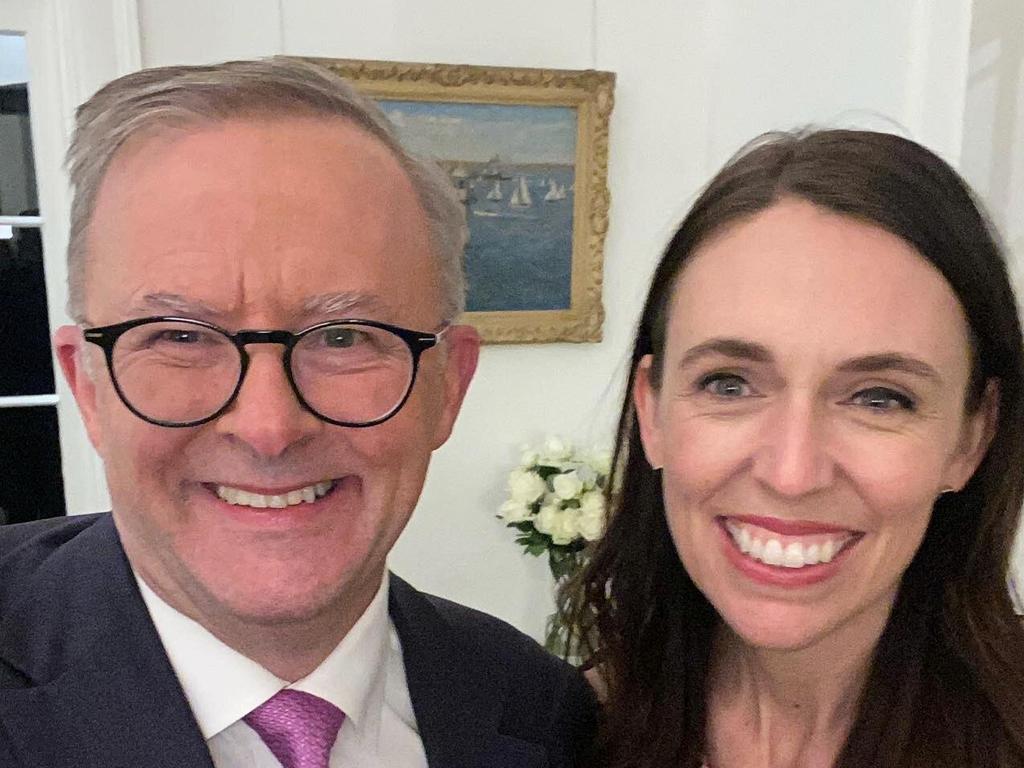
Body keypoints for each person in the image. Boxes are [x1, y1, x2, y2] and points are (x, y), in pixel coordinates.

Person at [0, 58, 596, 768]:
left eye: (345, 337)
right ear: (88, 389)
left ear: (449, 385)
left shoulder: (548, 714)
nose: (268, 426)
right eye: (181, 337)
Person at [563, 129, 1024, 768]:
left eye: (880, 398)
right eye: (729, 383)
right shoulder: (559, 731)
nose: (791, 472)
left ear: (972, 437)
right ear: (652, 410)